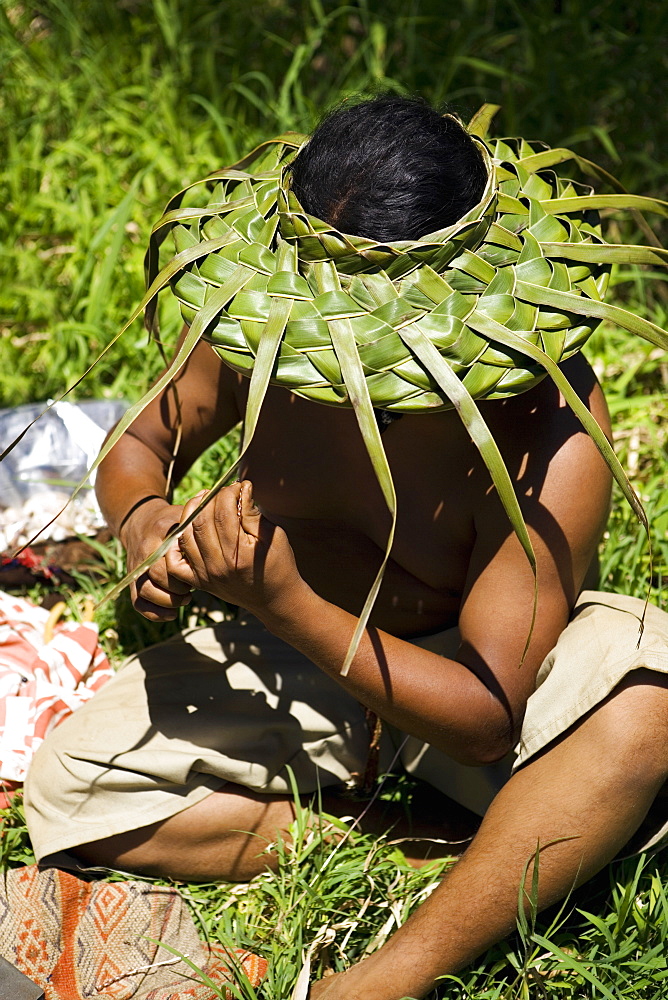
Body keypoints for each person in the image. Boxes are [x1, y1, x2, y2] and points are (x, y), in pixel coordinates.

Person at [24, 96, 668, 1000]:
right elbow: (139, 450)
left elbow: (488, 712)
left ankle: (395, 972)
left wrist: (285, 598)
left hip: (482, 697)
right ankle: (428, 849)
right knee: (73, 789)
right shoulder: (265, 322)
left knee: (647, 704)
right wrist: (150, 530)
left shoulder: (541, 410)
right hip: (291, 657)